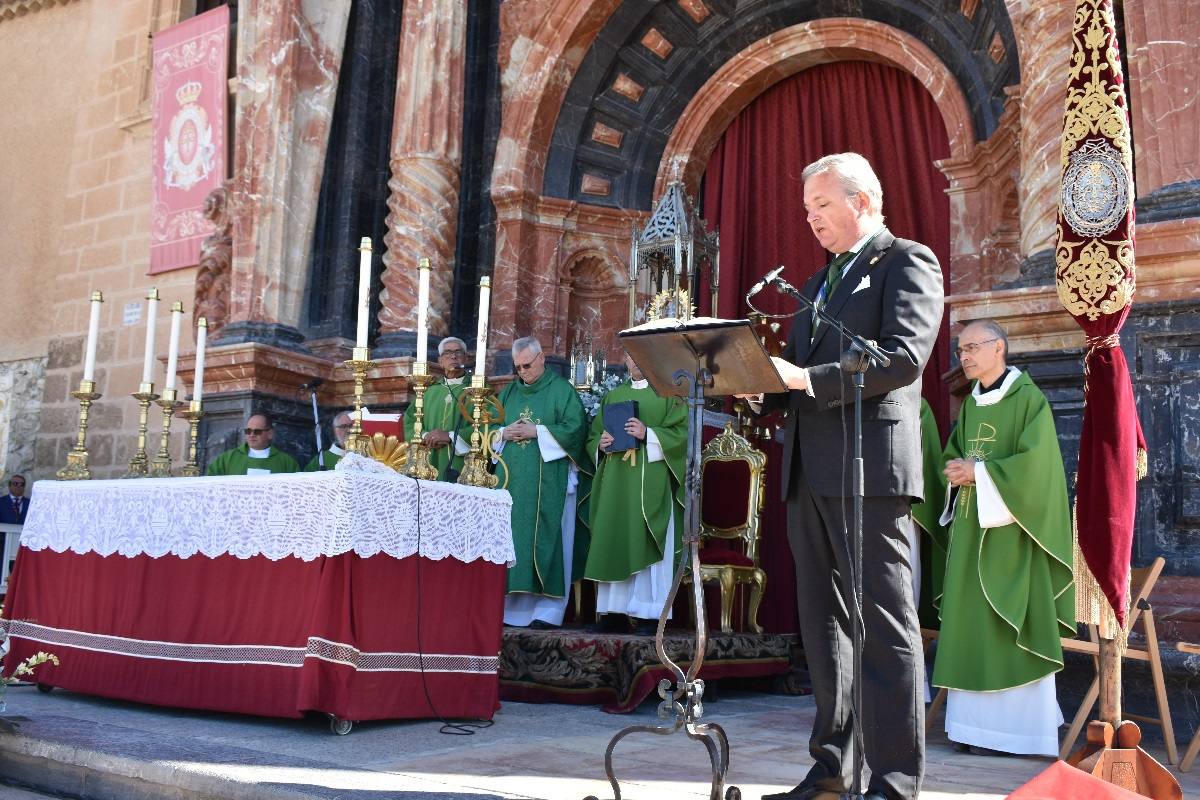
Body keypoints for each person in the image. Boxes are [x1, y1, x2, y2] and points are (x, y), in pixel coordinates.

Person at [757, 152, 944, 800]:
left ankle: (894, 782)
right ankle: (833, 769)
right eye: (806, 209)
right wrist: (762, 388)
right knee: (825, 630)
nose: (810, 220)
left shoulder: (906, 262)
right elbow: (798, 370)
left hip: (871, 471)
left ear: (861, 201)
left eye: (821, 206)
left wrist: (808, 379)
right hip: (809, 470)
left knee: (883, 626)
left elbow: (902, 358)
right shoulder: (815, 284)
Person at [933, 320, 1074, 756]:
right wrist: (955, 472)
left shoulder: (1029, 400)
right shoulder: (972, 404)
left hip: (1014, 534)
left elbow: (1039, 469)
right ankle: (973, 732)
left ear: (999, 348)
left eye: (973, 348)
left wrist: (982, 473)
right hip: (971, 529)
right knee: (969, 626)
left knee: (1011, 625)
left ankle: (1020, 735)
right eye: (960, 351)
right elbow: (956, 454)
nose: (965, 357)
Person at [583, 351, 687, 634]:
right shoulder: (613, 397)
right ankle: (613, 612)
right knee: (613, 537)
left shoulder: (669, 395)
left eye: (641, 356)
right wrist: (600, 444)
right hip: (615, 481)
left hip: (649, 482)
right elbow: (593, 437)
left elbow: (682, 435)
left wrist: (649, 434)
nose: (635, 362)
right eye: (630, 357)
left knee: (647, 537)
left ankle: (650, 613)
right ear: (626, 361)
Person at [496, 336, 590, 628]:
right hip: (510, 481)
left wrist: (539, 432)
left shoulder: (562, 392)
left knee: (550, 537)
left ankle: (547, 611)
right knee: (510, 540)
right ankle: (511, 610)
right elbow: (485, 427)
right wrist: (503, 432)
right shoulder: (508, 394)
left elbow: (576, 430)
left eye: (527, 365)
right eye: (518, 367)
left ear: (541, 359)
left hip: (550, 481)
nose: (523, 371)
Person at [403, 336, 472, 481]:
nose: (453, 356)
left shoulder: (477, 391)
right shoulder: (429, 391)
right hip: (428, 459)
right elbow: (410, 421)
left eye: (458, 352)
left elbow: (486, 427)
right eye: (447, 353)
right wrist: (424, 436)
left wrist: (450, 436)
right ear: (440, 361)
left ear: (466, 358)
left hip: (461, 465)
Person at [206, 413, 300, 476]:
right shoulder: (227, 459)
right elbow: (210, 483)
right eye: (248, 431)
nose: (252, 435)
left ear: (270, 434)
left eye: (257, 431)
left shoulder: (287, 463)